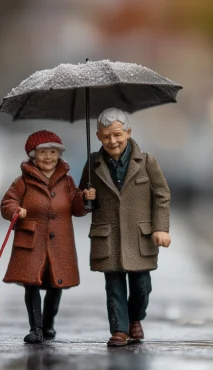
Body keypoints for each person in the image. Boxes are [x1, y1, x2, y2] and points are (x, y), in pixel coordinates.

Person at [80, 107, 171, 347]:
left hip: (140, 237)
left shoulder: (146, 161)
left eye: (117, 135)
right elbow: (80, 202)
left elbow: (161, 195)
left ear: (128, 133)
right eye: (107, 136)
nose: (113, 141)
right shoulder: (92, 163)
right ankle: (119, 329)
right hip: (108, 236)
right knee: (114, 286)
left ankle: (135, 318)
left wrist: (161, 227)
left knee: (142, 286)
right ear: (98, 136)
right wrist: (85, 197)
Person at [1, 130, 93, 344]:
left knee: (56, 284)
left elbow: (76, 208)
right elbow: (7, 202)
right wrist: (16, 210)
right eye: (43, 152)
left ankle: (49, 323)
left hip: (59, 242)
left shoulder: (67, 181)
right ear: (33, 155)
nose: (49, 157)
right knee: (31, 284)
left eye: (53, 152)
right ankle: (36, 328)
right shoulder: (22, 181)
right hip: (31, 241)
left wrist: (85, 199)